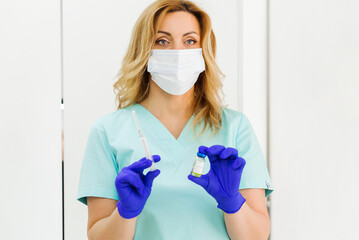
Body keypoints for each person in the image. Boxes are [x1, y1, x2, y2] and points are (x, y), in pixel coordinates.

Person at [77, 0, 273, 239]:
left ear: (203, 51)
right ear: (144, 50)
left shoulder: (234, 127)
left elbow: (257, 237)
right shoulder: (108, 131)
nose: (178, 52)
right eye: (162, 41)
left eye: (190, 41)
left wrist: (231, 202)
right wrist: (125, 212)